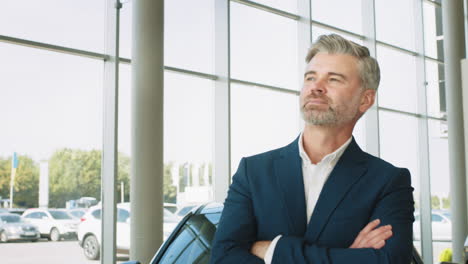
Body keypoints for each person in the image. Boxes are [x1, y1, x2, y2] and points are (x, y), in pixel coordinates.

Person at [210, 34, 415, 264]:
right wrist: (349, 256)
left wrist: (273, 251)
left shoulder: (389, 182)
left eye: (334, 79)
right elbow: (223, 258)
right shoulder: (253, 172)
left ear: (365, 100)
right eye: (310, 77)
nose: (316, 87)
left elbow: (389, 261)